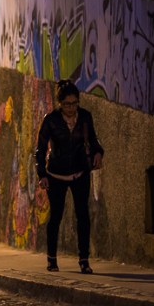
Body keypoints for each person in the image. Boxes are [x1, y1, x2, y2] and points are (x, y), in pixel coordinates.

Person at [35, 79, 104, 274]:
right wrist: (42, 174)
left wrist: (99, 152)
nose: (71, 108)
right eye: (67, 104)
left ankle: (84, 260)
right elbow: (40, 150)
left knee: (83, 215)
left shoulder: (85, 117)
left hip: (80, 172)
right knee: (56, 216)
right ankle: (52, 259)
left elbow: (94, 140)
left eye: (75, 103)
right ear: (60, 103)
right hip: (56, 175)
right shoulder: (51, 120)